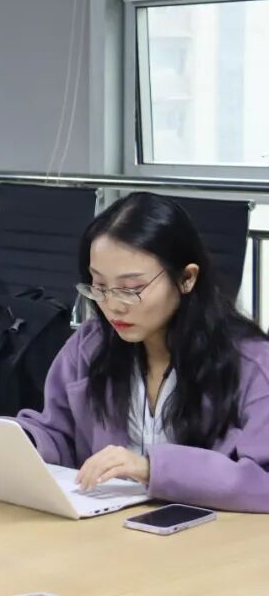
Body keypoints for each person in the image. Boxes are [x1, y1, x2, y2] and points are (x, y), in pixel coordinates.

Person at [17, 192, 269, 512]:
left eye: (131, 289)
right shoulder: (91, 345)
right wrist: (20, 441)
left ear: (186, 278)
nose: (112, 305)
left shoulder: (252, 364)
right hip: (108, 528)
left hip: (213, 533)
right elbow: (58, 433)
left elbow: (263, 482)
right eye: (99, 287)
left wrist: (151, 468)